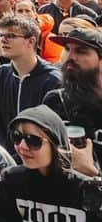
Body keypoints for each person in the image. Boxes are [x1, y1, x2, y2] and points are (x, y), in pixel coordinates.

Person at [0, 15, 60, 152]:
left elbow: (52, 130)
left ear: (31, 41)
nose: (3, 39)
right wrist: (6, 152)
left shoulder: (52, 80)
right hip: (7, 156)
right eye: (1, 35)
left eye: (11, 36)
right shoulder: (1, 73)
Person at [43, 27, 102, 172]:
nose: (71, 57)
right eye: (68, 50)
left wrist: (92, 173)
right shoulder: (56, 101)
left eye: (81, 51)